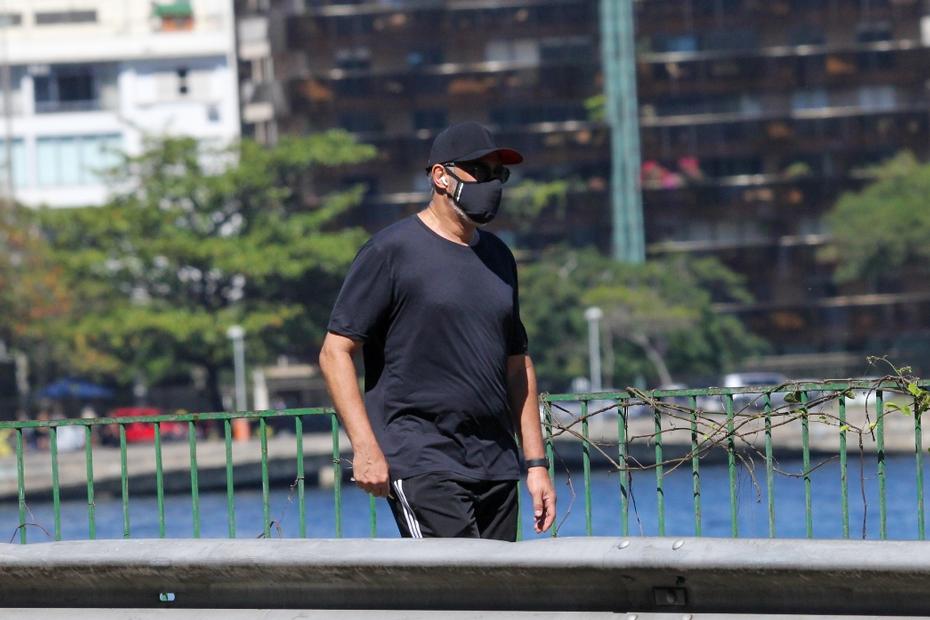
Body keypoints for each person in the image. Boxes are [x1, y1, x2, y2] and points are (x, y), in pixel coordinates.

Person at [319, 121, 556, 540]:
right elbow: (335, 352)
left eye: (498, 174)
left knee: (496, 601)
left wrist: (535, 465)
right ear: (440, 176)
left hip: (496, 464)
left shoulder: (499, 257)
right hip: (422, 457)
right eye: (478, 172)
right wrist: (365, 447)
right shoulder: (390, 252)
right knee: (457, 591)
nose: (491, 184)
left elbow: (517, 365)